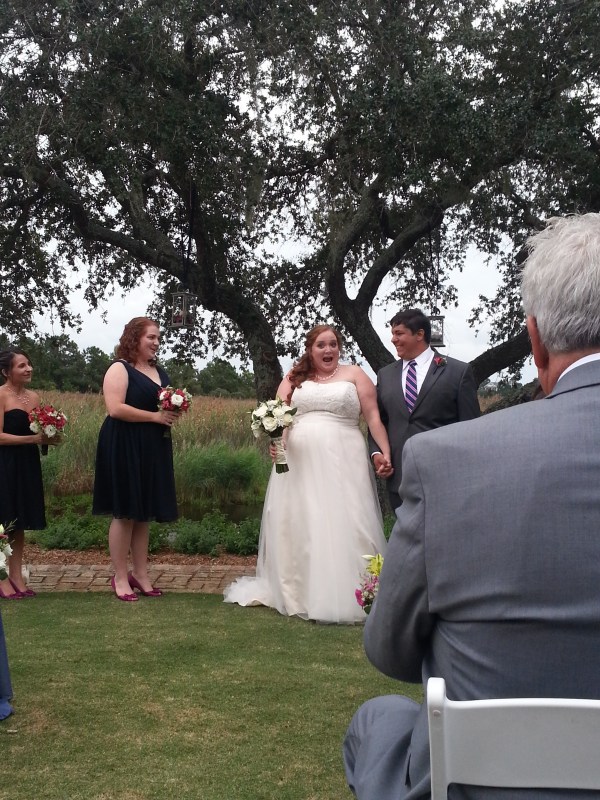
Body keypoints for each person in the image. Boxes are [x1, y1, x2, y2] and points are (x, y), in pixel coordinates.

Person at [343, 212, 600, 800]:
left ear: (535, 341)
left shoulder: (447, 462)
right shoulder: (388, 379)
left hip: (489, 784)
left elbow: (389, 649)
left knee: (380, 719)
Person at [224, 324, 392, 624]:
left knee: (349, 518)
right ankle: (300, 591)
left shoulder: (355, 374)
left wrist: (385, 452)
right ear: (310, 350)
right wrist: (278, 447)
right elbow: (279, 418)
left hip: (345, 457)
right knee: (302, 519)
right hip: (299, 460)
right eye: (321, 345)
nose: (328, 350)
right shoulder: (294, 377)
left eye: (333, 344)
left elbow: (373, 418)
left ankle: (360, 591)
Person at [92, 317, 179, 602]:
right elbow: (115, 408)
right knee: (125, 512)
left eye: (158, 338)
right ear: (134, 338)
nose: (156, 342)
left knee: (143, 513)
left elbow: (161, 407)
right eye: (151, 337)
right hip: (124, 443)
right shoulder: (120, 368)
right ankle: (119, 577)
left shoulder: (158, 371)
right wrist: (155, 417)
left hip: (153, 445)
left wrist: (172, 411)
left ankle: (140, 574)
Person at [369, 308, 480, 509]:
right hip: (399, 478)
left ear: (419, 334)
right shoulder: (385, 375)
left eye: (399, 333)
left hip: (445, 477)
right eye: (392, 334)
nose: (393, 339)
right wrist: (377, 454)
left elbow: (470, 428)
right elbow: (378, 420)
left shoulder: (457, 372)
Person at [0, 349, 55, 599]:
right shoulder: (1, 395)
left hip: (27, 464)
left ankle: (16, 576)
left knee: (19, 522)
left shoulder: (34, 397)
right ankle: (1, 579)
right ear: (6, 371)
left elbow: (40, 429)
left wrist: (51, 435)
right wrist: (32, 439)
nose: (28, 368)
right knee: (3, 521)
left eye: (29, 364)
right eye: (21, 365)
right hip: (4, 463)